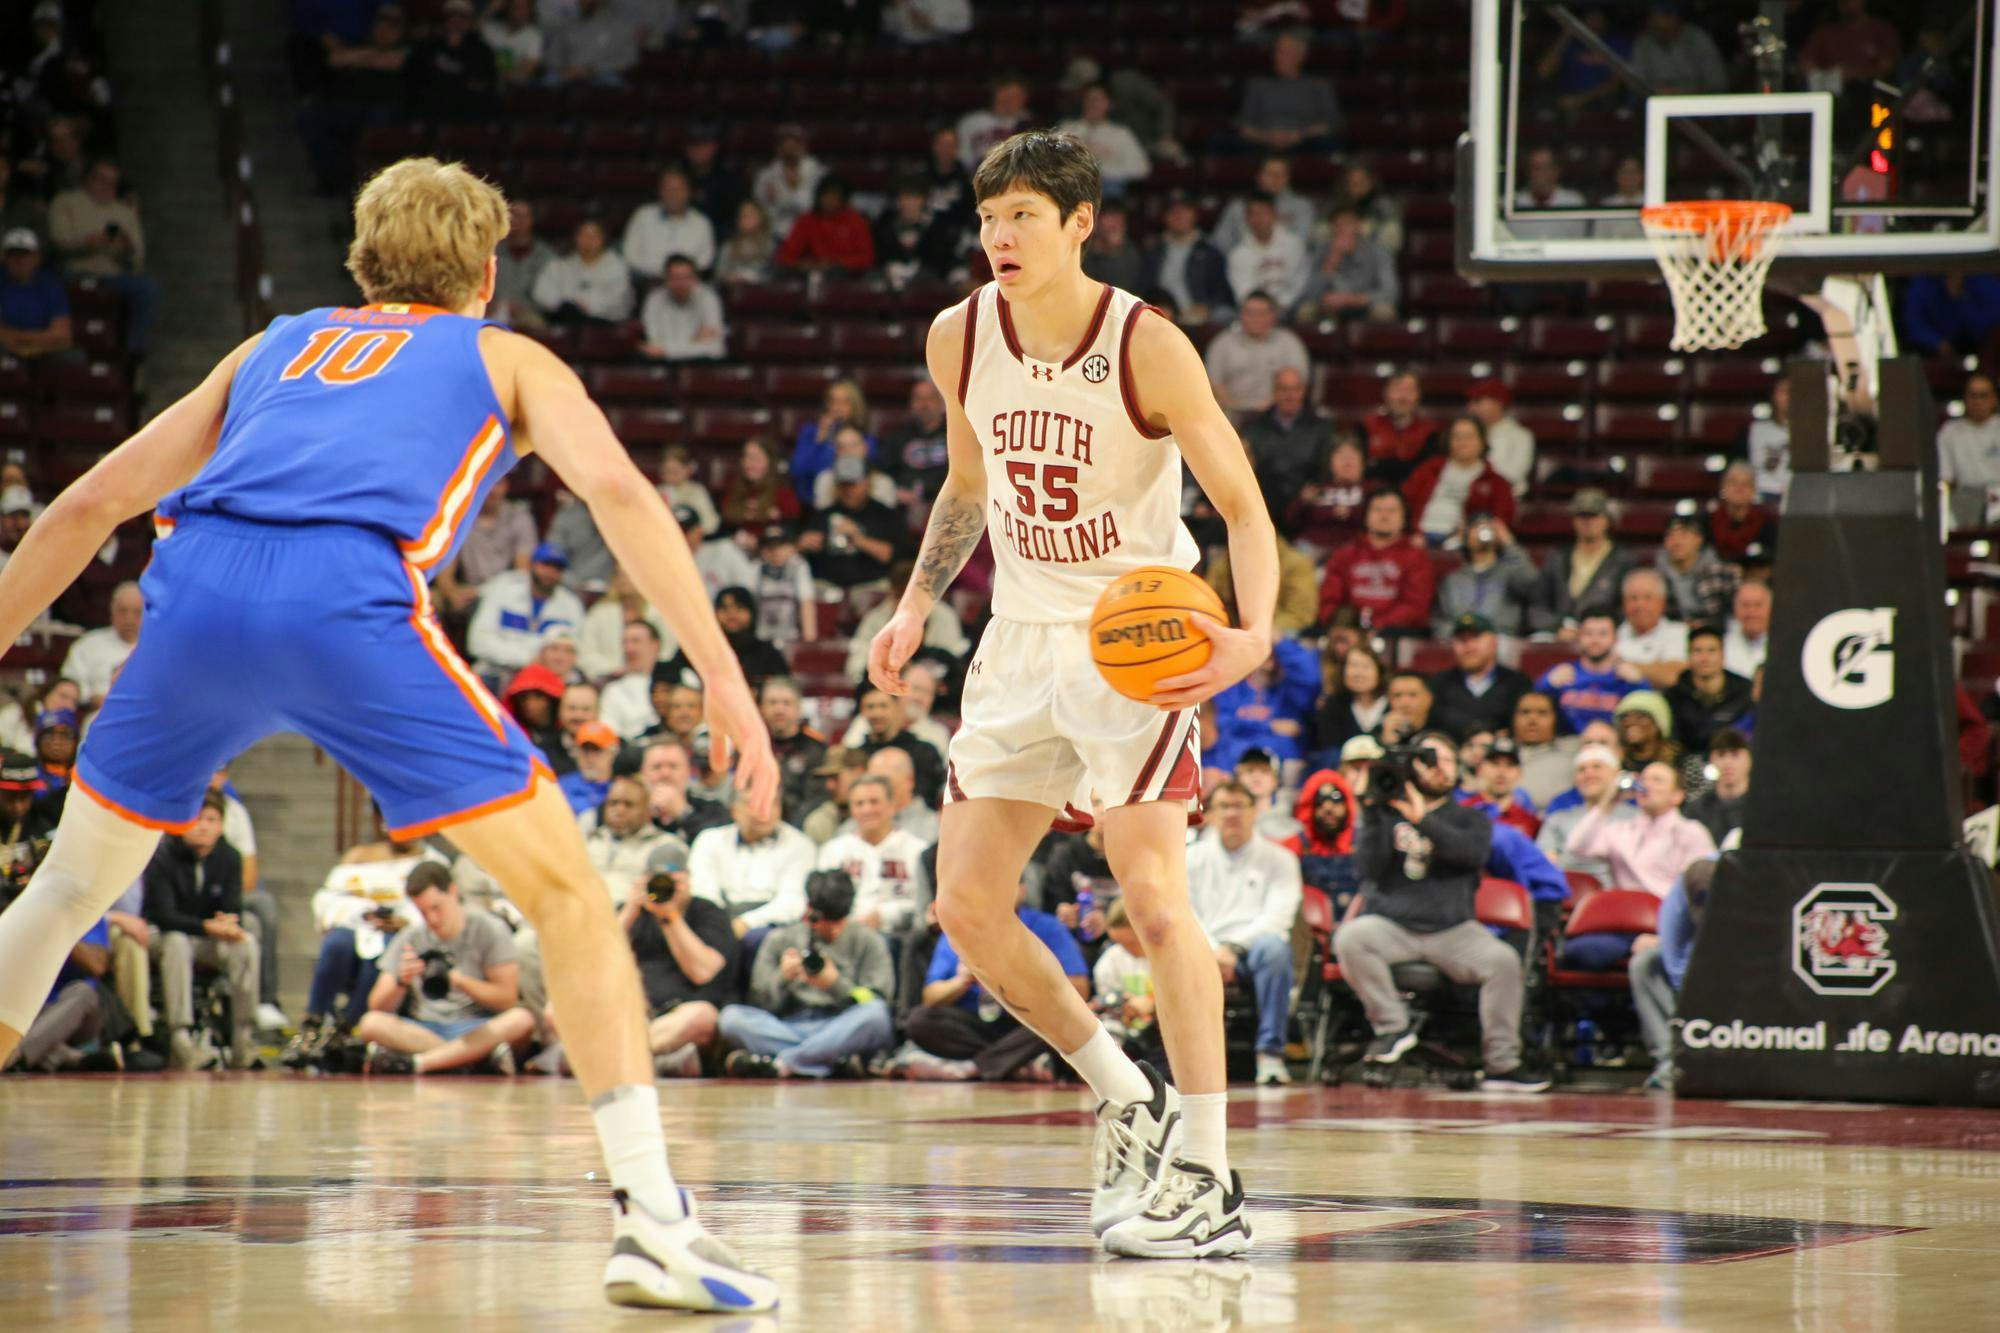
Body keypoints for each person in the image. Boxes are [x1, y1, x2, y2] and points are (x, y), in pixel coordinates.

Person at [0, 159, 781, 1311]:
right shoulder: (507, 354)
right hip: (343, 603)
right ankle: (654, 1224)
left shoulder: (271, 345)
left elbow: (82, 506)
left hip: (195, 598)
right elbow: (617, 494)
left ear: (361, 261)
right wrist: (722, 673)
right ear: (487, 267)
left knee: (64, 892)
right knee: (570, 897)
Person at [867, 130, 1271, 1256]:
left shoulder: (1146, 344)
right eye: (988, 218)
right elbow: (964, 481)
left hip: (1133, 640)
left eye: (1023, 218)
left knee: (1151, 900)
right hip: (1016, 638)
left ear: (1080, 223)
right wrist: (912, 604)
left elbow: (1239, 506)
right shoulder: (958, 334)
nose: (998, 237)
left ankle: (1209, 1170)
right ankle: (1125, 1096)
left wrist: (1252, 633)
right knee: (965, 908)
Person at [1335, 732, 1547, 1091]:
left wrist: (1422, 819)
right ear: (1412, 767)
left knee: (1503, 961)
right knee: (1351, 937)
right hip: (1394, 927)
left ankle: (1503, 1064)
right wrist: (1371, 812)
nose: (1442, 768)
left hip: (1454, 930)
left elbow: (1471, 854)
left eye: (1449, 760)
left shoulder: (1471, 818)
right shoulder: (1385, 814)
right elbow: (1367, 870)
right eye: (1432, 760)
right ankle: (1393, 1029)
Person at [717, 868, 896, 1078]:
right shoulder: (779, 939)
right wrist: (782, 977)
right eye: (826, 921)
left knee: (876, 1015)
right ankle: (826, 1060)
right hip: (788, 1025)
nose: (835, 929)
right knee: (731, 1018)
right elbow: (759, 1000)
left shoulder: (868, 940)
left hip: (840, 1024)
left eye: (840, 921)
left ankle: (783, 1062)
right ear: (810, 911)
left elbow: (878, 999)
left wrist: (836, 984)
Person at [358, 862, 535, 1073]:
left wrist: (460, 981)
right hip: (426, 1028)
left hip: (476, 1027)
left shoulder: (489, 929)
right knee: (370, 1023)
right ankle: (472, 1061)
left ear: (452, 891)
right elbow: (376, 1006)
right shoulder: (411, 936)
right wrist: (401, 982)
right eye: (423, 912)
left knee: (522, 1020)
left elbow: (507, 999)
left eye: (436, 908)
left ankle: (422, 1063)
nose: (432, 919)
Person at [903, 878, 1086, 1082]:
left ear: (1023, 891)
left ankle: (974, 1067)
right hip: (976, 1019)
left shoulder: (1047, 927)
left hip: (1028, 1019)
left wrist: (1021, 978)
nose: (1000, 892)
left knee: (1062, 1018)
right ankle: (1015, 1061)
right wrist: (961, 981)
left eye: (1008, 883)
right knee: (919, 1020)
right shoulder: (960, 927)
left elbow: (1080, 989)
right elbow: (930, 997)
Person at [1187, 781, 1301, 1086]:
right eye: (1224, 806)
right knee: (1181, 951)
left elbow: (1279, 917)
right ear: (1209, 814)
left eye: (1239, 806)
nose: (1232, 814)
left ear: (1255, 812)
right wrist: (1213, 949)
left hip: (1255, 948)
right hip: (1205, 945)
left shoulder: (1281, 859)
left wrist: (1233, 948)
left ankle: (1270, 1055)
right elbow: (1185, 913)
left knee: (1276, 949)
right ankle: (1194, 1059)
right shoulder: (1190, 857)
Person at [141, 792, 257, 1069]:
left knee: (247, 942)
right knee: (177, 942)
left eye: (211, 820)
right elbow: (163, 915)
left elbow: (233, 906)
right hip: (164, 937)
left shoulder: (229, 857)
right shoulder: (163, 855)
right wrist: (207, 926)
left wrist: (229, 924)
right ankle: (181, 1037)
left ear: (221, 826)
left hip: (208, 938)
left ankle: (244, 1037)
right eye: (196, 819)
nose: (203, 826)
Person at [616, 837, 739, 1078]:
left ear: (688, 880)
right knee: (558, 1009)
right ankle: (654, 1061)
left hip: (681, 1016)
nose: (664, 889)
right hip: (634, 1014)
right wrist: (629, 910)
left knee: (702, 1016)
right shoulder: (632, 912)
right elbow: (596, 962)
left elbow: (702, 971)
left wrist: (670, 917)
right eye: (657, 881)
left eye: (673, 881)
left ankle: (616, 1060)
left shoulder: (708, 912)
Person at [1564, 761, 1716, 897]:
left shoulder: (1691, 831)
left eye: (1657, 780)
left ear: (1677, 796)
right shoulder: (1620, 830)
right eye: (1643, 779)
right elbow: (1576, 847)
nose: (1646, 785)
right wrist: (1608, 802)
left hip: (1665, 915)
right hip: (1622, 913)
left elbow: (1699, 885)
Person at [1631, 855, 1711, 1090]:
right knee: (1645, 963)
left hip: (1735, 962)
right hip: (1694, 965)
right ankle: (1671, 1061)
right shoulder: (1694, 881)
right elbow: (1676, 959)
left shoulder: (1753, 883)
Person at [815, 774, 928, 934]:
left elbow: (922, 904)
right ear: (851, 809)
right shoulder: (833, 850)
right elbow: (821, 901)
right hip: (843, 934)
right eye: (859, 804)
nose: (867, 810)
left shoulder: (917, 850)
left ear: (891, 805)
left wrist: (884, 915)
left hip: (897, 937)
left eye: (874, 802)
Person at [687, 791, 816, 931]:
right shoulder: (709, 840)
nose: (764, 812)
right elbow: (702, 891)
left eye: (772, 804)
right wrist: (720, 926)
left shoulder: (800, 845)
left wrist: (746, 923)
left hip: (769, 925)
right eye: (755, 804)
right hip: (718, 918)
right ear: (734, 811)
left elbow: (792, 901)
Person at [467, 542, 585, 686]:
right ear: (531, 565)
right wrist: (527, 659)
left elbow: (575, 650)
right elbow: (478, 642)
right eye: (546, 565)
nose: (551, 572)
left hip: (547, 678)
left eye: (557, 568)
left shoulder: (571, 604)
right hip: (497, 672)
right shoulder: (503, 588)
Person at [1316, 490, 1433, 634]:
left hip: (1396, 634)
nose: (1384, 516)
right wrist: (1345, 625)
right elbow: (1328, 602)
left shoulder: (1416, 558)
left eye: (1392, 511)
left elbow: (1415, 607)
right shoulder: (1344, 555)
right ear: (1366, 516)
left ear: (1404, 518)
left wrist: (1377, 624)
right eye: (1377, 510)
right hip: (1348, 633)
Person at [1538, 488, 1635, 636]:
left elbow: (1628, 607)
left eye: (1593, 515)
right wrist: (1557, 627)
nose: (1588, 522)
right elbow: (1539, 604)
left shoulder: (1623, 559)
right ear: (1574, 520)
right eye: (1582, 516)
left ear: (1606, 520)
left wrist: (1597, 629)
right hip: (1561, 634)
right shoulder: (1558, 557)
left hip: (1607, 635)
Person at [1202, 291, 1309, 419]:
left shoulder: (1289, 343)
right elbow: (1212, 383)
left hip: (1276, 414)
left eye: (1261, 313)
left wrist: (1269, 408)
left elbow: (1299, 382)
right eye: (1249, 313)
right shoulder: (1222, 343)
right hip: (1231, 414)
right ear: (1240, 315)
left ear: (1273, 315)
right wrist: (1232, 409)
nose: (1255, 318)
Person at [1242, 366, 1335, 515]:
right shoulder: (1255, 428)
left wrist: (1312, 492)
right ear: (1274, 392)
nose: (1289, 395)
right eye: (1283, 389)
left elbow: (1327, 469)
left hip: (1308, 507)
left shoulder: (1322, 429)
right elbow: (1246, 470)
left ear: (1303, 391)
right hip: (1264, 505)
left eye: (1295, 389)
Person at [1234, 29, 1342, 153]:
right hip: (1263, 142)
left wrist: (1300, 135)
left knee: (1328, 143)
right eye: (1276, 51)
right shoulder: (1257, 85)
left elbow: (1332, 123)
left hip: (1306, 142)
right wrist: (1266, 137)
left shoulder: (1318, 85)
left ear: (1301, 56)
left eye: (1284, 52)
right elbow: (1244, 125)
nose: (1277, 56)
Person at [1428, 614, 1531, 740]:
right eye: (1461, 640)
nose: (1469, 647)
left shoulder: (1518, 683)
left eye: (1475, 638)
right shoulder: (1438, 684)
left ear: (1494, 642)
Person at [1433, 516, 1537, 639]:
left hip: (1501, 640)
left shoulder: (1510, 573)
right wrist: (1456, 638)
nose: (1482, 532)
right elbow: (1440, 620)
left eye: (1488, 527)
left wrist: (1510, 544)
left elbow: (1532, 585)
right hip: (1462, 641)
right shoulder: (1452, 580)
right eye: (1476, 527)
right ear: (1466, 535)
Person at [1294, 206, 1397, 324]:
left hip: (1364, 304)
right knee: (1305, 311)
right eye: (1337, 225)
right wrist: (1331, 262)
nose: (1342, 229)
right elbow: (1306, 293)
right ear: (1331, 228)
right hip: (1330, 305)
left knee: (1383, 312)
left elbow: (1391, 292)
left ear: (1359, 226)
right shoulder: (1321, 251)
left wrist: (1351, 299)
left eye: (1348, 224)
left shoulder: (1378, 251)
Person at [1144, 190, 1232, 326]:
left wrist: (1207, 307)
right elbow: (1144, 288)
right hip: (1162, 316)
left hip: (1200, 315)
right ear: (1165, 217)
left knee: (1224, 314)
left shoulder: (1209, 252)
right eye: (1173, 211)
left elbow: (1222, 292)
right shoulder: (1153, 251)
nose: (1179, 215)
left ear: (1194, 215)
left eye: (1185, 210)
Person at [1664, 626, 1754, 755]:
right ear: (1688, 656)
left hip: (1731, 759)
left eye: (1712, 651)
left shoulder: (1744, 692)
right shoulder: (1674, 695)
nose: (1705, 658)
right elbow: (1672, 740)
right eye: (1698, 651)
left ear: (1722, 655)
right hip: (1687, 763)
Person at [531, 219, 634, 324]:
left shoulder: (617, 267)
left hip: (604, 324)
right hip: (565, 321)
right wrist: (568, 304)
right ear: (575, 238)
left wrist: (588, 305)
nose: (588, 241)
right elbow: (541, 294)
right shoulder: (560, 266)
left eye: (594, 236)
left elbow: (618, 301)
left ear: (603, 239)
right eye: (583, 235)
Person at [623, 168, 716, 282]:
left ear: (688, 192)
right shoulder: (643, 216)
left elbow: (705, 260)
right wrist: (665, 275)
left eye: (679, 189)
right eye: (668, 188)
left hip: (687, 285)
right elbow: (630, 255)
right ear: (660, 191)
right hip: (647, 283)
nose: (673, 194)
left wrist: (677, 277)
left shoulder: (701, 222)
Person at [59, 579, 141, 705]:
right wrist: (92, 698)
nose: (129, 619)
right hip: (96, 713)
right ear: (112, 611)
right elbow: (70, 683)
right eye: (122, 611)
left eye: (137, 613)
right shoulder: (88, 644)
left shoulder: (161, 648)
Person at [0, 228, 76, 363]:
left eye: (24, 254)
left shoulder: (50, 284)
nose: (19, 260)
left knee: (73, 358)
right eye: (13, 254)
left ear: (37, 258)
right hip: (7, 349)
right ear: (4, 258)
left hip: (44, 349)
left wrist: (21, 339)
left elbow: (63, 336)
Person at [1057, 85, 1151, 192]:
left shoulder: (1121, 134)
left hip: (1107, 187)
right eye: (1088, 99)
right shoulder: (1067, 128)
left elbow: (1141, 168)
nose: (1092, 104)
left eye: (1097, 100)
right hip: (1070, 185)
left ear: (1109, 104)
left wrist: (1103, 168)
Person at [1655, 514, 1737, 629]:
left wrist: (1706, 625)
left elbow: (1730, 615)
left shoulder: (1720, 572)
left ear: (1699, 539)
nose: (1676, 541)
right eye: (1670, 535)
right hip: (1672, 634)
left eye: (1683, 535)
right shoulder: (1657, 577)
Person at [638, 255, 726, 361]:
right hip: (663, 364)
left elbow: (715, 348)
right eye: (675, 278)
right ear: (666, 279)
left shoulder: (708, 298)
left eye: (686, 277)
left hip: (701, 365)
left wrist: (667, 350)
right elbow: (654, 343)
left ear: (695, 279)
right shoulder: (654, 299)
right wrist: (695, 342)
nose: (680, 283)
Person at [1615, 568, 1690, 690]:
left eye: (1647, 598)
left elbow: (1674, 676)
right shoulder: (1612, 634)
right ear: (1624, 603)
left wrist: (1626, 666)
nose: (1640, 605)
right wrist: (1655, 668)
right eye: (1633, 598)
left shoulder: (1678, 632)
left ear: (1662, 603)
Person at [1630, 0, 1726, 94]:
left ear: (1675, 17)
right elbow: (1637, 86)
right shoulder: (1644, 43)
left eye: (1663, 15)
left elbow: (1717, 85)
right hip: (1657, 104)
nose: (1654, 21)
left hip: (1697, 105)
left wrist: (1680, 93)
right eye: (1652, 16)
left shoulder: (1698, 39)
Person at [1359, 371, 1436, 487]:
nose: (1403, 397)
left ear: (1419, 395)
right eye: (1397, 390)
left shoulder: (1431, 431)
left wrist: (1379, 464)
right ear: (1385, 394)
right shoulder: (1366, 426)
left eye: (1409, 390)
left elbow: (1427, 474)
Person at [1510, 691, 1578, 809]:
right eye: (1525, 712)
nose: (1532, 719)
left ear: (1555, 719)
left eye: (1542, 713)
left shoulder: (1574, 753)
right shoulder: (1495, 753)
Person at [1466, 380, 1534, 497]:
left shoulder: (1520, 436)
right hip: (1470, 496)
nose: (1471, 407)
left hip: (1508, 499)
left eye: (1478, 401)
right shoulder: (1467, 434)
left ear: (1498, 403)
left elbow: (1514, 474)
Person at [1682, 728, 1750, 844]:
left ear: (1750, 759)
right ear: (1711, 760)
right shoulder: (1697, 809)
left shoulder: (1762, 807)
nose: (1727, 762)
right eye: (1721, 755)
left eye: (1735, 755)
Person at [1464, 737, 1539, 839]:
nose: (1501, 772)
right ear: (1481, 768)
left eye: (1510, 765)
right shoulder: (1463, 811)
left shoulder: (1531, 822)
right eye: (1495, 764)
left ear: (1519, 773)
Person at [1745, 378, 1792, 506]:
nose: (1789, 397)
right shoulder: (1759, 429)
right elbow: (1758, 463)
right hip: (1766, 494)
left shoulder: (1808, 431)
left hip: (1798, 493)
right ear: (1774, 396)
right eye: (1784, 392)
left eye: (1793, 392)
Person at [1722, 580, 1771, 678]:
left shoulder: (1785, 646)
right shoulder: (1723, 646)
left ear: (1770, 609)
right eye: (1745, 605)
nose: (1751, 612)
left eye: (1758, 605)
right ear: (1735, 610)